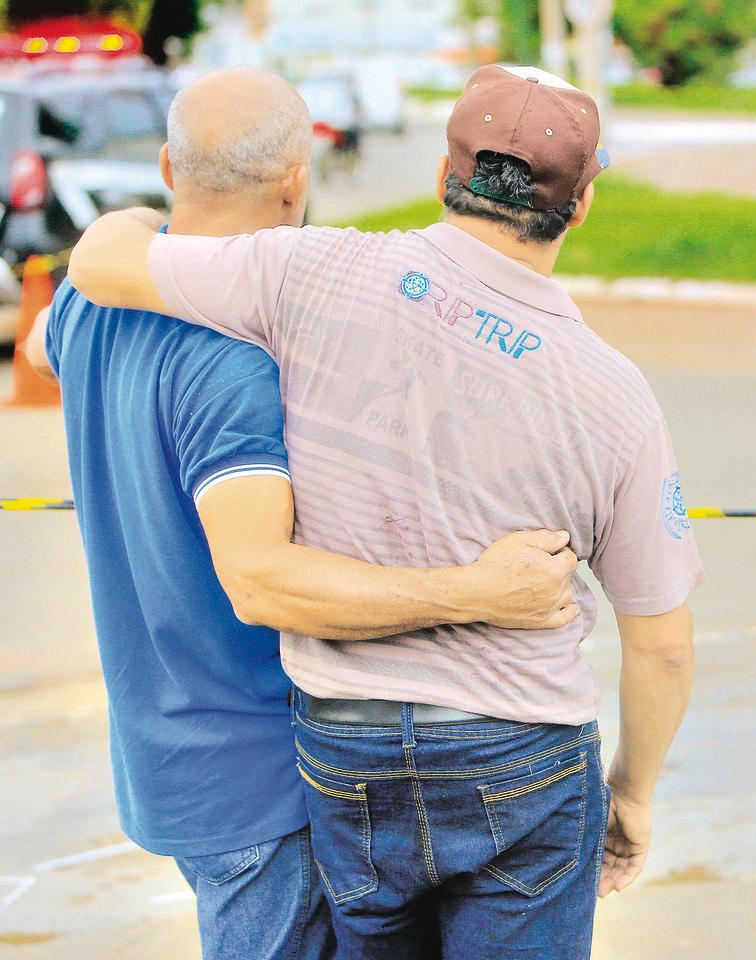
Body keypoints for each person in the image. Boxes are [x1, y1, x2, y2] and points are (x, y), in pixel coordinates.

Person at [68, 65, 704, 959]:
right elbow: (663, 642)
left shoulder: (309, 269)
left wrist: (135, 212)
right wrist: (631, 796)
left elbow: (98, 267)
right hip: (524, 749)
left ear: (446, 175)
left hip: (346, 750)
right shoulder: (616, 394)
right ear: (584, 202)